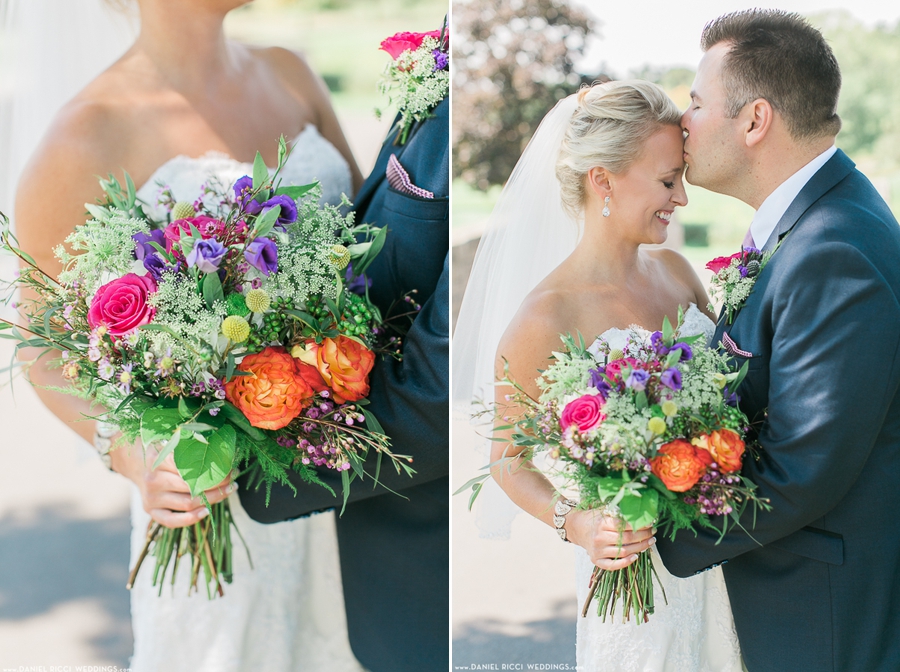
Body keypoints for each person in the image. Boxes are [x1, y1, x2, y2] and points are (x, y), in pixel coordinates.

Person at [13, 1, 370, 670]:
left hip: (349, 486)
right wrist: (129, 450)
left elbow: (370, 244)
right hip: (208, 500)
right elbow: (38, 343)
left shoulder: (291, 73)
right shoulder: (88, 132)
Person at [453, 80, 742, 671]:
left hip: (725, 564)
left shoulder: (677, 272)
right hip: (633, 580)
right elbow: (507, 460)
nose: (681, 198)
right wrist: (577, 523)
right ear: (602, 180)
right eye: (667, 180)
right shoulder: (545, 315)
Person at [654, 10, 900, 672]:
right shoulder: (810, 222)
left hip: (825, 615)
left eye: (698, 102)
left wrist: (653, 523)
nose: (683, 121)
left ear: (755, 120)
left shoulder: (833, 247)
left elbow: (804, 466)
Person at [238, 91, 450, 672]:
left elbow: (440, 398)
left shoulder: (289, 73)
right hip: (368, 552)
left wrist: (248, 469)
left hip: (417, 560)